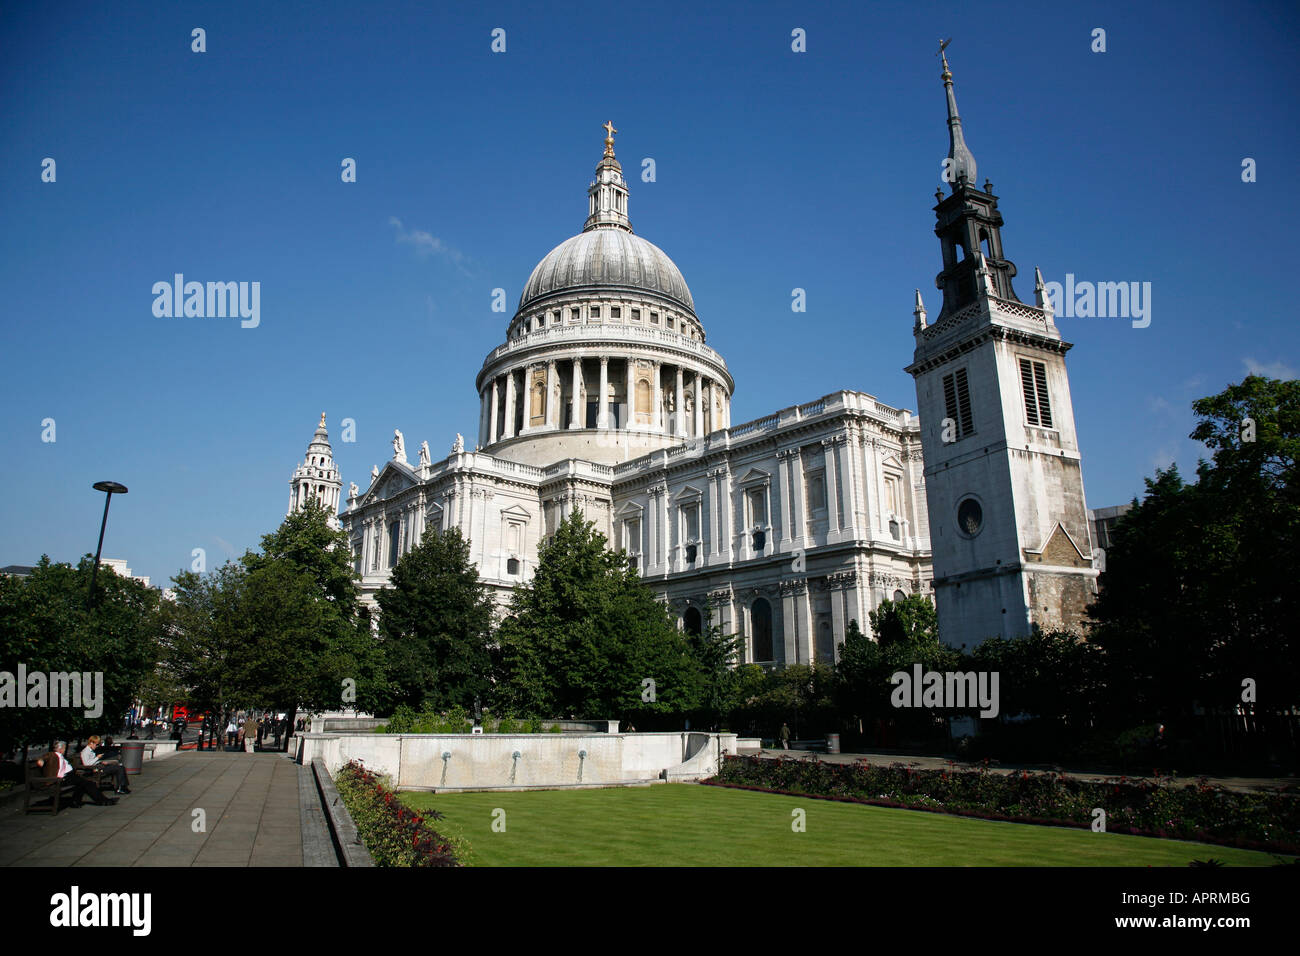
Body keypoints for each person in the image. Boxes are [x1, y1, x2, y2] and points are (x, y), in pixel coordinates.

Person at [36, 742, 117, 807]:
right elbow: (43, 758)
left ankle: (77, 801)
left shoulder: (60, 756)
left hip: (69, 775)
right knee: (87, 783)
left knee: (85, 783)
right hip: (62, 778)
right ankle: (103, 801)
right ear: (60, 749)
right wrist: (41, 761)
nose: (64, 750)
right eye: (64, 748)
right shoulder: (52, 754)